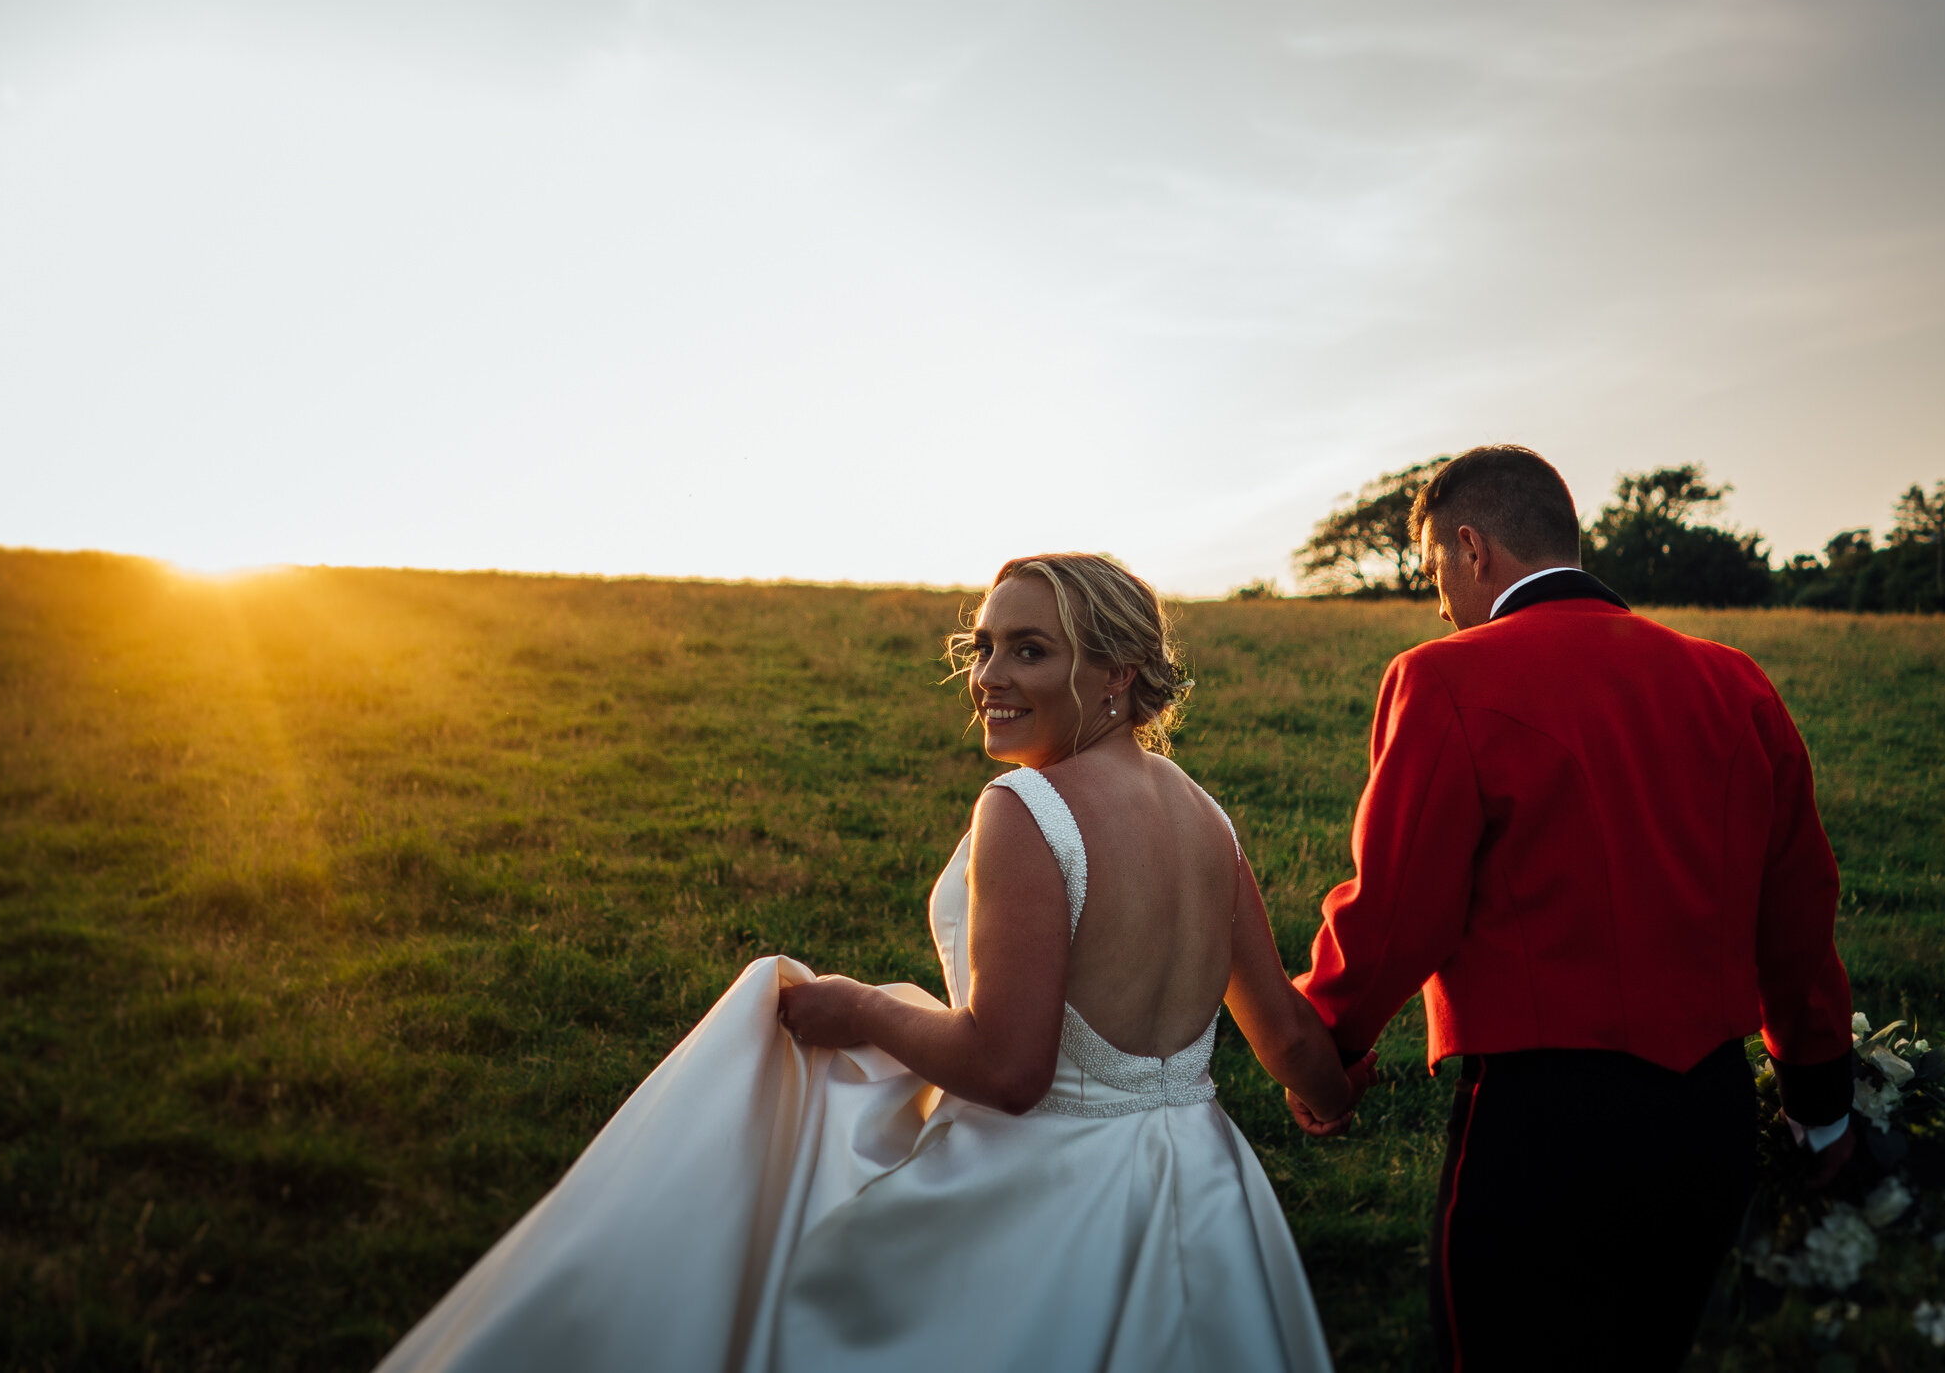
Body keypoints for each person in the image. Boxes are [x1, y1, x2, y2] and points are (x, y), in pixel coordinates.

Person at [378, 553, 1357, 1373]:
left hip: (1053, 1206)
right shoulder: (1204, 813)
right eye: (980, 646)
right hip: (1203, 1182)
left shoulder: (1024, 811)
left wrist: (858, 1011)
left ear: (1116, 673)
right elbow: (1281, 1030)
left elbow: (1010, 1070)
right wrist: (1325, 1093)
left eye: (1029, 648)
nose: (988, 674)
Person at [1289, 445, 1856, 1372]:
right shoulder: (1736, 681)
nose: (1439, 603)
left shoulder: (1444, 678)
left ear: (1472, 548)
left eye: (1435, 569)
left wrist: (1327, 1043)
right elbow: (1798, 915)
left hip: (1542, 1131)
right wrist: (1818, 1103)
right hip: (1708, 1126)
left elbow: (1398, 913)